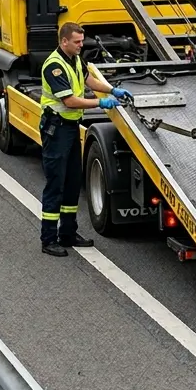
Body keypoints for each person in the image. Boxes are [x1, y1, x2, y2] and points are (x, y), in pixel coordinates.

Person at [38, 21, 132, 257]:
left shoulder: (75, 60)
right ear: (64, 41)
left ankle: (68, 233)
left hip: (69, 127)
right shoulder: (54, 66)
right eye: (77, 42)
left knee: (72, 182)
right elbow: (69, 101)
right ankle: (49, 238)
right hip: (56, 129)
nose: (82, 45)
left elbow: (89, 80)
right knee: (55, 185)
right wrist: (100, 102)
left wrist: (112, 90)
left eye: (82, 41)